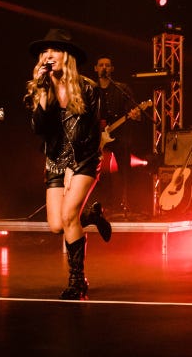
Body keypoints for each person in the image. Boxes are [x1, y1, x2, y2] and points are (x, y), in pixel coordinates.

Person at [24, 28, 112, 300]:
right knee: (56, 225)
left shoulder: (88, 88)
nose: (48, 55)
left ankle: (77, 281)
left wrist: (76, 165)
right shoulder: (39, 87)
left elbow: (93, 132)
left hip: (84, 158)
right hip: (54, 161)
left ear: (67, 56)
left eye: (55, 50)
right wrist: (41, 91)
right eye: (45, 51)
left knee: (68, 215)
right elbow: (38, 129)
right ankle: (92, 216)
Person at [94, 56, 145, 217]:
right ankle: (100, 205)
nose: (104, 68)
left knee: (124, 171)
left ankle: (125, 204)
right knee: (97, 173)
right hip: (97, 137)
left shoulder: (122, 89)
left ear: (112, 69)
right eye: (101, 65)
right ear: (96, 68)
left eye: (107, 65)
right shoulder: (92, 89)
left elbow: (134, 112)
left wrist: (135, 114)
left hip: (120, 136)